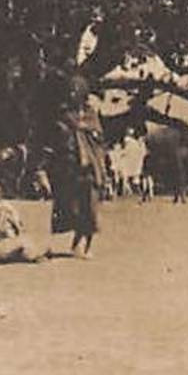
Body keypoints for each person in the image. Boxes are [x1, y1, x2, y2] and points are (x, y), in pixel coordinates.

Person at [52, 75, 107, 257]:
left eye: (76, 90)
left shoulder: (91, 114)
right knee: (75, 208)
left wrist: (86, 131)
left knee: (90, 209)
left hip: (91, 167)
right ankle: (76, 244)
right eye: (71, 90)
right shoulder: (65, 114)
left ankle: (87, 247)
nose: (72, 93)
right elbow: (61, 135)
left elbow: (98, 138)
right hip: (73, 167)